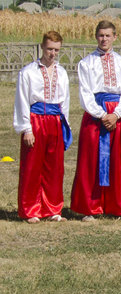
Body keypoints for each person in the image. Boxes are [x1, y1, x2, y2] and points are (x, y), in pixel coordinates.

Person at [71, 20, 121, 220]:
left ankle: (120, 207)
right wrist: (101, 114)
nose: (104, 39)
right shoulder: (86, 63)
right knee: (91, 161)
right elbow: (85, 93)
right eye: (101, 35)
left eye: (108, 35)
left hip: (117, 115)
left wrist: (117, 114)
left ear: (115, 37)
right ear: (96, 37)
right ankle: (90, 207)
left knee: (119, 161)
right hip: (95, 115)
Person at [14, 31, 70, 222]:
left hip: (55, 121)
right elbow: (22, 100)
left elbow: (65, 102)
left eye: (56, 50)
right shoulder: (28, 71)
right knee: (32, 166)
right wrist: (26, 128)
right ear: (42, 47)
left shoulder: (61, 72)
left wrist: (65, 126)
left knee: (54, 167)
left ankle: (52, 209)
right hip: (36, 119)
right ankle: (31, 209)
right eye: (49, 49)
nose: (52, 53)